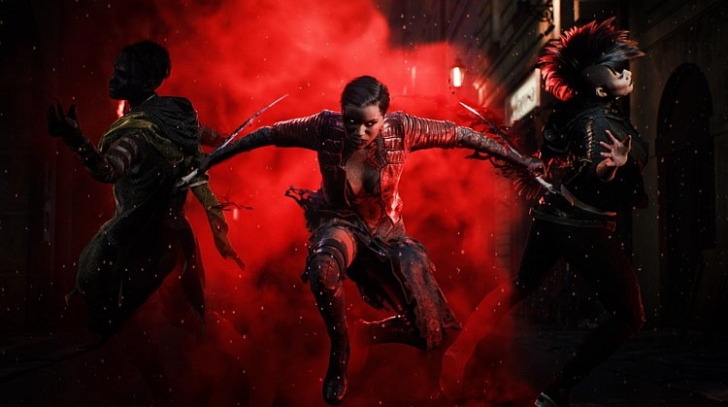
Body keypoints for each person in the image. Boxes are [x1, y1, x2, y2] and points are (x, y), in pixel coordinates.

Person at [190, 75, 543, 405]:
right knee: (323, 269)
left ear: (383, 117)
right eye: (351, 121)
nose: (359, 132)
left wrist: (519, 160)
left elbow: (461, 135)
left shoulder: (403, 129)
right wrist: (210, 159)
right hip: (340, 224)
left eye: (369, 124)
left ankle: (367, 334)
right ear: (341, 114)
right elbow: (266, 134)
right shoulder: (323, 127)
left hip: (388, 234)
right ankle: (341, 348)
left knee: (429, 332)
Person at [439, 18, 649, 407]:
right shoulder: (599, 119)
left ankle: (460, 348)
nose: (625, 71)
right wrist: (609, 167)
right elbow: (594, 168)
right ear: (597, 82)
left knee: (519, 286)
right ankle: (556, 392)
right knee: (630, 315)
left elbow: (563, 158)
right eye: (616, 67)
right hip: (583, 225)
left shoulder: (578, 111)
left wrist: (561, 166)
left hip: (552, 218)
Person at [47, 40, 240, 341]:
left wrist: (76, 139)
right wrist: (231, 141)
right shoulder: (173, 117)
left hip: (142, 242)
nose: (114, 78)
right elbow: (205, 135)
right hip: (171, 237)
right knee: (172, 322)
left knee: (111, 314)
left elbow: (106, 170)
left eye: (123, 74)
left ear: (148, 82)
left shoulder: (138, 134)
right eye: (116, 70)